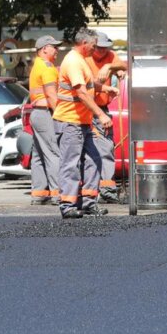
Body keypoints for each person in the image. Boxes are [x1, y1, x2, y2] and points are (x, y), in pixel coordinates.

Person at [54, 29, 114, 219]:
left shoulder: (81, 61)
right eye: (94, 46)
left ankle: (88, 202)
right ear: (84, 44)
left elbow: (88, 84)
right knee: (70, 164)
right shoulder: (73, 61)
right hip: (70, 121)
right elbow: (80, 92)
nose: (95, 50)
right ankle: (67, 204)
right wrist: (100, 114)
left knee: (94, 159)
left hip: (82, 121)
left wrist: (104, 88)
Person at [86, 30, 127, 203]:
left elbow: (124, 65)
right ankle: (101, 190)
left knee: (106, 147)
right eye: (99, 48)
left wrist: (111, 68)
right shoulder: (85, 60)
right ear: (93, 46)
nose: (103, 51)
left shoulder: (110, 56)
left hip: (102, 108)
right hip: (90, 110)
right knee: (100, 149)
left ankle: (106, 188)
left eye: (105, 48)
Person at [27, 35, 63, 205]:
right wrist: (60, 115)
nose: (57, 50)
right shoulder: (47, 67)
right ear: (44, 49)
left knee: (39, 155)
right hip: (45, 113)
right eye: (54, 47)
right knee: (53, 153)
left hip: (37, 113)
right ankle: (58, 194)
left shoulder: (37, 65)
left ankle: (39, 193)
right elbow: (51, 95)